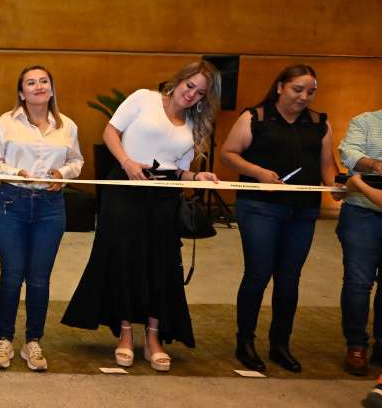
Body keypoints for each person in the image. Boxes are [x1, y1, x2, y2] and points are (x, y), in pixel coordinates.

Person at [62, 61, 221, 372]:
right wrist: (127, 163)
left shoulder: (194, 124)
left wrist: (196, 178)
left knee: (160, 263)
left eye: (200, 93)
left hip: (163, 196)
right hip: (123, 187)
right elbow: (110, 132)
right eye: (190, 86)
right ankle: (124, 334)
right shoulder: (142, 99)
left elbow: (178, 168)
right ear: (179, 81)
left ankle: (153, 338)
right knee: (122, 259)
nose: (191, 95)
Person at [220, 64, 338, 373]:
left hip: (304, 210)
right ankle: (245, 341)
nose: (304, 97)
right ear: (280, 87)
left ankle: (280, 344)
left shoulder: (319, 124)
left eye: (310, 91)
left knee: (289, 279)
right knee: (258, 273)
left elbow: (327, 165)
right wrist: (259, 173)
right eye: (297, 89)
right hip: (259, 206)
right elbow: (229, 154)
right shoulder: (255, 117)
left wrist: (336, 186)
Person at [0, 66, 84, 371]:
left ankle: (33, 342)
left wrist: (62, 174)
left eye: (44, 81)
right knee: (12, 275)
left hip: (51, 207)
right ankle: (4, 340)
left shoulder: (68, 126)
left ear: (51, 89)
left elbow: (76, 160)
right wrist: (17, 173)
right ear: (21, 93)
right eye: (31, 82)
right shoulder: (6, 122)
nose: (38, 86)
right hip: (11, 203)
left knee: (39, 279)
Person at [336, 112, 382, 375]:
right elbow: (349, 153)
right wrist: (376, 165)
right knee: (358, 283)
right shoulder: (365, 121)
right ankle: (356, 345)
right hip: (361, 212)